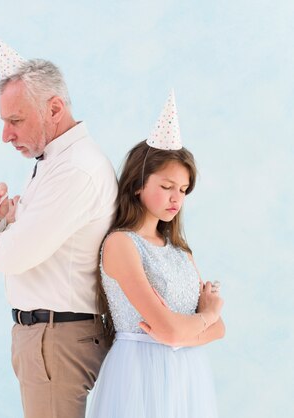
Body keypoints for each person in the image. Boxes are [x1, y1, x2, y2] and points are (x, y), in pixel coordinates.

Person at [0, 32, 118, 418]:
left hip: (56, 340)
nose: (6, 135)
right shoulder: (55, 162)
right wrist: (5, 225)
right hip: (48, 339)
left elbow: (13, 257)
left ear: (55, 108)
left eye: (16, 120)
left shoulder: (74, 169)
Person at [86, 91, 225, 418]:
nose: (176, 198)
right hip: (139, 372)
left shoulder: (180, 252)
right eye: (166, 186)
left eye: (183, 190)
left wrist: (183, 332)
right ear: (137, 184)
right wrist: (206, 316)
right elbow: (179, 329)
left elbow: (218, 331)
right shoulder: (121, 244)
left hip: (187, 376)